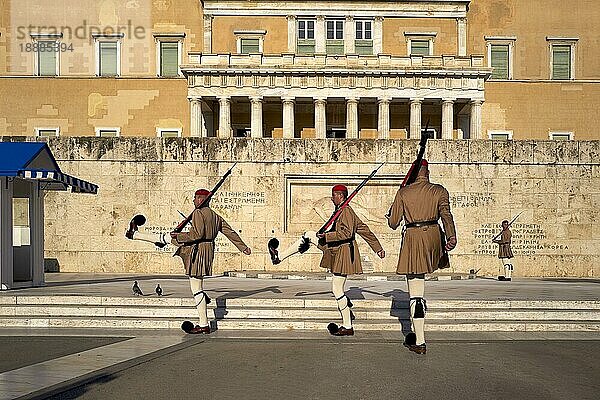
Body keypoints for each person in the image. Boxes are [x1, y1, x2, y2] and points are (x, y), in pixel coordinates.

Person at [126, 189, 251, 334]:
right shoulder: (215, 216)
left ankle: (204, 324)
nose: (193, 201)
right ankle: (136, 234)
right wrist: (243, 247)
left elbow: (196, 234)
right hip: (208, 250)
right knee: (196, 284)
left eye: (195, 198)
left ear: (201, 199)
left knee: (196, 288)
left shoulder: (198, 213)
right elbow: (230, 232)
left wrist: (179, 236)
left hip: (197, 251)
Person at [270, 184, 385, 336]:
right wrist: (378, 248)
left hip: (342, 252)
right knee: (309, 235)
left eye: (334, 195)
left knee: (337, 289)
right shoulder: (341, 210)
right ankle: (279, 257)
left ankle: (347, 325)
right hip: (335, 248)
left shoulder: (346, 212)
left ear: (341, 196)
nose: (331, 198)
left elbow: (347, 233)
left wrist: (326, 236)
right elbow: (364, 229)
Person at [387, 160, 457, 354]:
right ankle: (419, 335)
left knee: (415, 293)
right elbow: (446, 215)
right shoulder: (439, 190)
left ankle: (419, 340)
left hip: (414, 238)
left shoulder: (404, 192)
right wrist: (451, 235)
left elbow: (393, 223)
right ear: (427, 172)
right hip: (434, 236)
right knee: (421, 287)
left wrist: (390, 213)